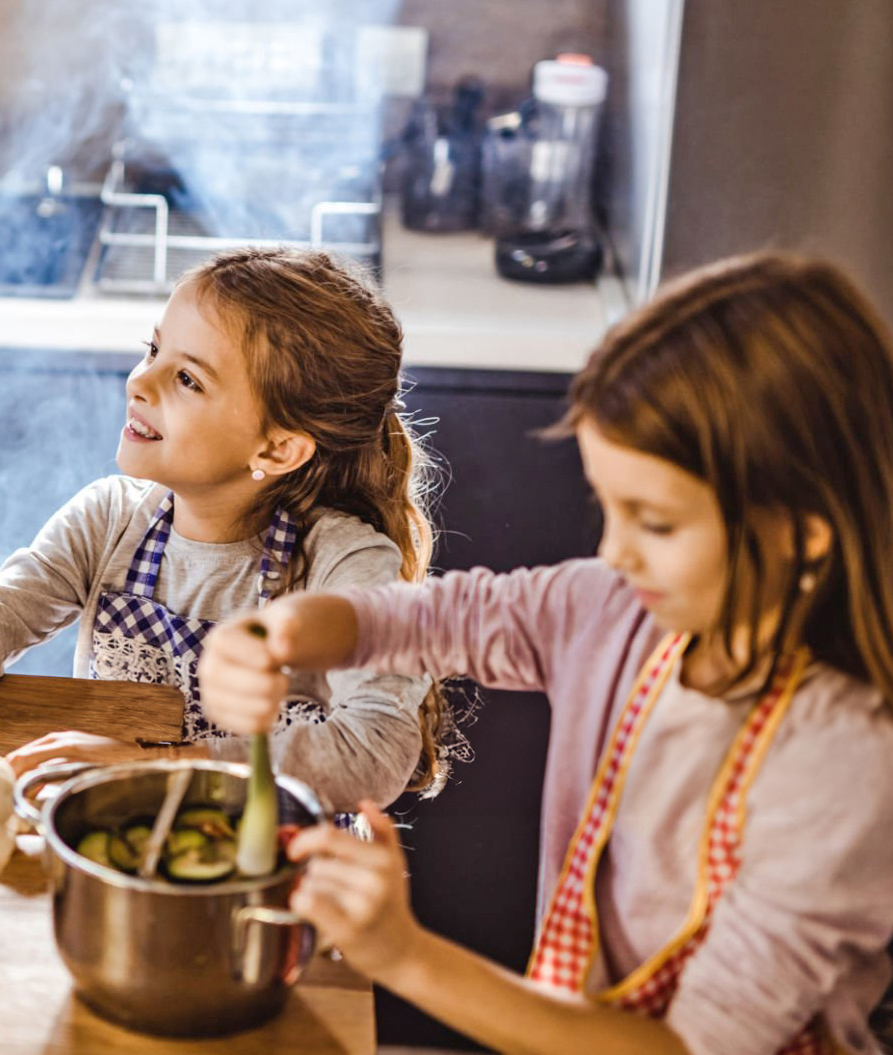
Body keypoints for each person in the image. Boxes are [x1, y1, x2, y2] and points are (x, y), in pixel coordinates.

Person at [200, 254, 893, 1055]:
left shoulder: (846, 767)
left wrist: (403, 955)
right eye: (608, 506)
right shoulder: (614, 611)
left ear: (801, 532)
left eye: (655, 522)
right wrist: (280, 634)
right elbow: (424, 619)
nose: (614, 551)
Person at [0, 247, 453, 808]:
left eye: (188, 378)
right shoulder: (110, 520)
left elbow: (375, 749)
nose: (140, 380)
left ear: (280, 448)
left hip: (282, 885)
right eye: (153, 349)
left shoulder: (345, 564)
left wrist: (157, 765)